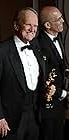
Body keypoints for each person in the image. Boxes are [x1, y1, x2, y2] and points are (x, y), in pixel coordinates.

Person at [0, 7, 55, 140]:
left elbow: (40, 80)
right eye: (28, 25)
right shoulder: (1, 50)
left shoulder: (37, 49)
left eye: (36, 26)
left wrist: (48, 89)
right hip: (10, 119)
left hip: (35, 116)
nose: (33, 29)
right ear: (16, 25)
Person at [37, 6, 68, 140]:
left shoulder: (58, 37)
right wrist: (62, 93)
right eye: (58, 19)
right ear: (48, 25)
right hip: (48, 102)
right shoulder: (40, 44)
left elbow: (56, 66)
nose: (63, 21)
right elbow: (42, 76)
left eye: (62, 17)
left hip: (59, 103)